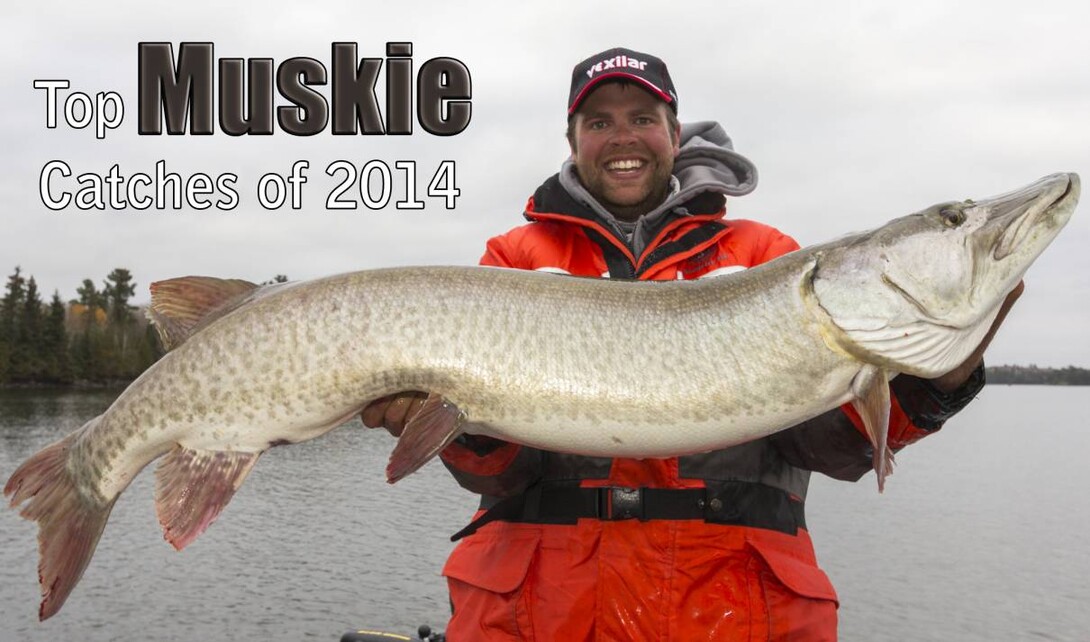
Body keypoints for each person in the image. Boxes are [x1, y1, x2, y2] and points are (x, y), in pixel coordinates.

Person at [362, 47, 1022, 641]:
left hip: (729, 612)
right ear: (573, 142)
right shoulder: (516, 258)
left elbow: (835, 446)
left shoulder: (764, 257)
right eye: (599, 122)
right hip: (544, 612)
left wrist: (936, 382)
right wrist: (448, 423)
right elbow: (503, 472)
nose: (623, 136)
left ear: (675, 134)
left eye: (642, 117)